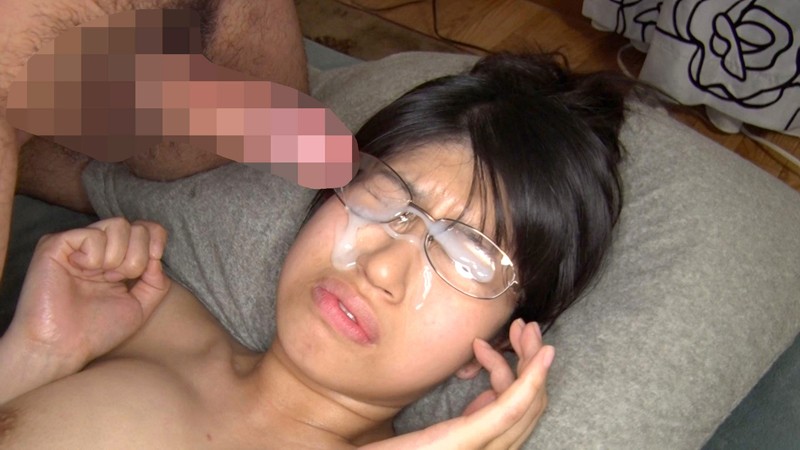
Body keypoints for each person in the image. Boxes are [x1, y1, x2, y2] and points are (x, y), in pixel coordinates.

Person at [0, 4, 634, 449]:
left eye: (467, 258)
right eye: (385, 197)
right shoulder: (137, 312)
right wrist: (33, 356)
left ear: (494, 347)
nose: (381, 266)